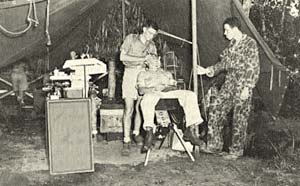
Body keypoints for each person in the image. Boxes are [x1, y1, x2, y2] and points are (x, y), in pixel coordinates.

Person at [197, 17, 260, 160]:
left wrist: (247, 87)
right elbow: (222, 64)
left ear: (235, 28)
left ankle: (236, 151)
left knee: (239, 118)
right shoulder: (232, 45)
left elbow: (254, 67)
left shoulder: (250, 43)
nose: (224, 33)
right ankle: (214, 145)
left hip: (243, 84)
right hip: (230, 83)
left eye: (226, 30)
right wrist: (206, 70)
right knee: (216, 108)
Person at [137, 56, 204, 151]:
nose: (157, 63)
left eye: (158, 61)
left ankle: (190, 129)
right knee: (146, 99)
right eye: (153, 61)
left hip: (169, 94)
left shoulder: (166, 73)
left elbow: (174, 86)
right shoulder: (143, 74)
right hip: (154, 94)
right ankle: (149, 132)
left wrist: (173, 84)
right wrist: (153, 89)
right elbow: (141, 90)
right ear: (147, 62)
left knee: (190, 95)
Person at [120, 19, 159, 156]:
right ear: (144, 29)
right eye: (149, 33)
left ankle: (136, 133)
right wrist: (143, 59)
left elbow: (153, 63)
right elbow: (122, 56)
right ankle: (126, 140)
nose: (150, 37)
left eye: (153, 35)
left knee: (140, 107)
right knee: (129, 108)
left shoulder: (152, 45)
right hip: (130, 74)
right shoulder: (131, 38)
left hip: (143, 76)